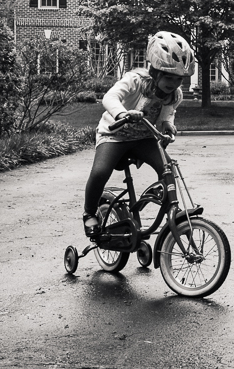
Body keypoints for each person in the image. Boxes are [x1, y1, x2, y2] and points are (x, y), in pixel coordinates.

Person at [82, 31, 195, 242]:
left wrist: (168, 125)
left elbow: (167, 112)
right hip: (114, 135)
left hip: (143, 138)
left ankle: (175, 209)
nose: (173, 83)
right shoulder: (135, 81)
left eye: (179, 79)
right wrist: (122, 113)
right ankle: (89, 212)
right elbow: (111, 97)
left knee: (167, 168)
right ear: (155, 71)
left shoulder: (174, 94)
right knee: (100, 171)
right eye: (168, 77)